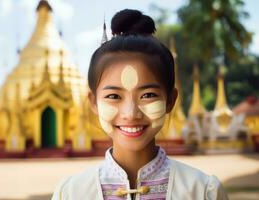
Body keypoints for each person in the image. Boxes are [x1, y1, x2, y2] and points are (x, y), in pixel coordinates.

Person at [51, 9, 228, 200]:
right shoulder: (71, 193)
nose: (131, 113)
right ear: (93, 102)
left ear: (170, 100)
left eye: (148, 95)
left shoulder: (202, 191)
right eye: (113, 96)